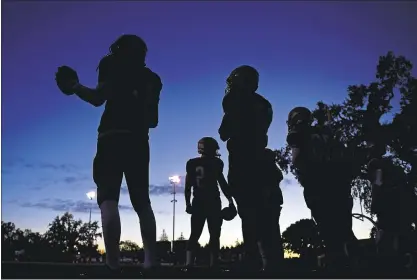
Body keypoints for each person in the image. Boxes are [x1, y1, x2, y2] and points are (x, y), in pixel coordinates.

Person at [54, 34, 162, 274]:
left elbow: (96, 99)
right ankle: (151, 261)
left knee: (108, 198)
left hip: (111, 136)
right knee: (142, 201)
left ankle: (113, 263)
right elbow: (153, 120)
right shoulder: (152, 79)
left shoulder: (111, 64)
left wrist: (75, 87)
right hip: (138, 140)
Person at [218, 65, 275, 271]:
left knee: (248, 213)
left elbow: (224, 132)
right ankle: (269, 258)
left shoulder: (236, 100)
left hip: (242, 160)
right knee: (263, 211)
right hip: (261, 158)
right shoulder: (264, 103)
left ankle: (253, 258)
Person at [287, 106, 355, 270]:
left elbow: (296, 160)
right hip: (337, 184)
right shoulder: (323, 133)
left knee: (330, 231)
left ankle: (342, 265)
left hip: (320, 186)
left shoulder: (301, 133)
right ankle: (353, 263)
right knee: (343, 229)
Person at [184, 137, 234, 269]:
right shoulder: (216, 163)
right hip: (213, 202)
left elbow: (188, 185)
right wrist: (230, 201)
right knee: (214, 234)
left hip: (198, 201)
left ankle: (189, 263)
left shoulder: (192, 163)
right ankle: (213, 263)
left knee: (194, 234)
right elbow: (222, 184)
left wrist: (187, 203)